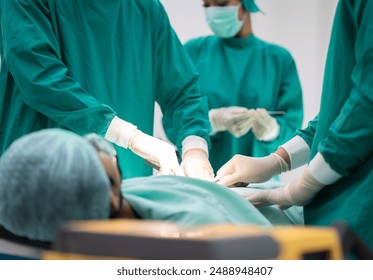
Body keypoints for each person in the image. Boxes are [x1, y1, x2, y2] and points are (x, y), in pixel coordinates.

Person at [215, 0, 373, 259]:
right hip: (336, 204)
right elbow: (339, 111)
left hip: (364, 203)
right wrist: (277, 161)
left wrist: (308, 181)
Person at [0, 0, 213, 180]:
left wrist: (195, 148)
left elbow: (183, 92)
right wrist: (129, 136)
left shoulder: (144, 7)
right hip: (38, 180)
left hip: (123, 191)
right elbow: (39, 77)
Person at [0, 129, 274, 243]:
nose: (95, 144)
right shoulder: (195, 234)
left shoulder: (116, 196)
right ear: (105, 192)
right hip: (283, 218)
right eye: (88, 154)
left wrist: (194, 149)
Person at [184, 0, 303, 171]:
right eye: (206, 6)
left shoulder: (278, 60)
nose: (213, 12)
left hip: (259, 182)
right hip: (200, 175)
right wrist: (212, 121)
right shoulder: (193, 52)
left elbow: (293, 126)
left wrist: (273, 131)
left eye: (221, 4)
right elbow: (176, 117)